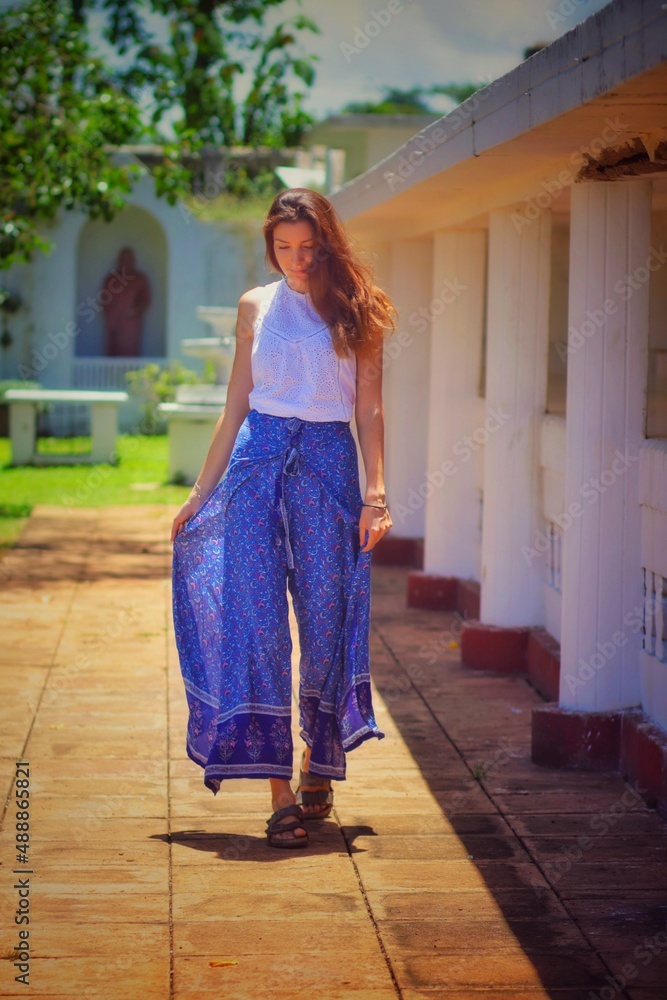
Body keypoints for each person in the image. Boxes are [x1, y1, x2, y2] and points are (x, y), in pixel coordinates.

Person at [170, 188, 396, 849]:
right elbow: (236, 402)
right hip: (254, 468)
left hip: (326, 469)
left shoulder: (361, 309)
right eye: (283, 248)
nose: (295, 261)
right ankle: (277, 794)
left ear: (326, 243)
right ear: (270, 245)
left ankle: (313, 761)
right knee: (258, 626)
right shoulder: (254, 307)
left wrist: (375, 495)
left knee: (325, 626)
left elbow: (371, 411)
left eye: (307, 248)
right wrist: (198, 492)